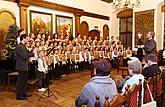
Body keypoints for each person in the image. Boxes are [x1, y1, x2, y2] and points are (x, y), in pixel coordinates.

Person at [15, 34, 35, 100]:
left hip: (24, 66)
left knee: (24, 81)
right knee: (21, 81)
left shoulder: (23, 46)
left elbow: (26, 53)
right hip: (21, 67)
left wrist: (32, 50)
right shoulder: (19, 47)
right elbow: (25, 56)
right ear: (23, 38)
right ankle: (19, 95)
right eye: (27, 38)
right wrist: (33, 53)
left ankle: (24, 93)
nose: (28, 40)